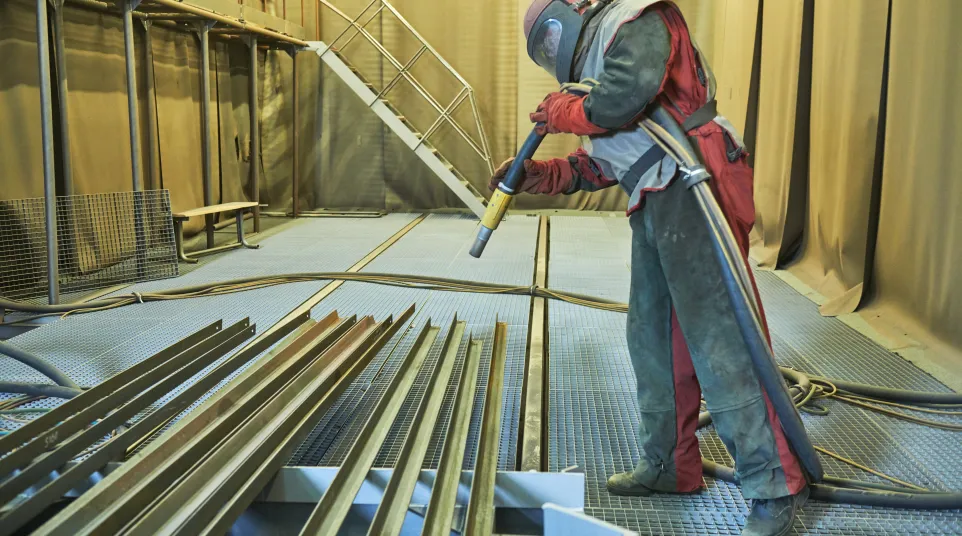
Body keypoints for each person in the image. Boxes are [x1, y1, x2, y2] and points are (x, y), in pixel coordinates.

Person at [497, 1, 809, 534]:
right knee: (653, 337)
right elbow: (612, 157)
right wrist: (543, 176)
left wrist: (561, 111)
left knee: (720, 341)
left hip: (695, 181)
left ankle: (772, 483)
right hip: (656, 191)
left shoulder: (635, 18)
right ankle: (670, 466)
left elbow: (620, 101)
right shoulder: (592, 66)